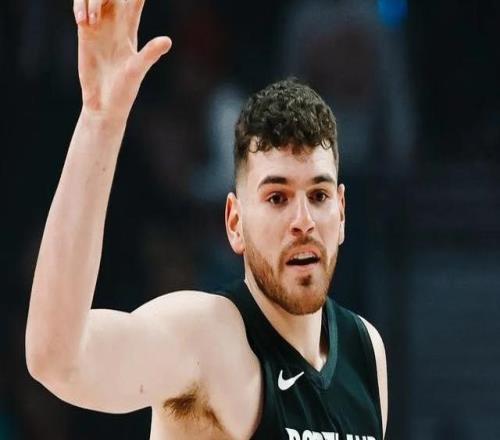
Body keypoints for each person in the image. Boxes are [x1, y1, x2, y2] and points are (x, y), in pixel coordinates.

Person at [25, 1, 388, 439]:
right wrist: (100, 119)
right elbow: (57, 359)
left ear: (342, 213)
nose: (303, 220)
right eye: (277, 197)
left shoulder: (366, 350)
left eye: (318, 195)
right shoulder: (205, 337)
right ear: (235, 223)